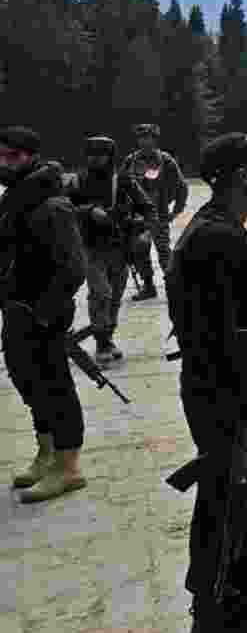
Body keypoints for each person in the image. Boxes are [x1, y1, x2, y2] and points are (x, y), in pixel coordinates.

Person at [168, 132, 247, 633]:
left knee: (225, 509)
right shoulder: (220, 240)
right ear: (243, 175)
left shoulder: (216, 231)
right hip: (230, 404)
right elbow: (223, 344)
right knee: (246, 519)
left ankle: (217, 627)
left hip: (217, 396)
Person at [1, 126, 89, 504]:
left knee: (55, 386)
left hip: (43, 313)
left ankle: (69, 468)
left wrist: (45, 312)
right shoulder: (16, 200)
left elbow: (73, 268)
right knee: (27, 381)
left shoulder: (52, 204)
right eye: (2, 155)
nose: (6, 163)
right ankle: (46, 453)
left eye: (14, 156)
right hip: (17, 309)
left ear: (32, 157)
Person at [64, 136, 154, 366]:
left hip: (119, 247)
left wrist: (142, 230)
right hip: (90, 246)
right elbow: (64, 209)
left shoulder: (122, 180)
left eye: (101, 154)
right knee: (100, 293)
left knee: (114, 296)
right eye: (92, 154)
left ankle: (107, 337)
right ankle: (102, 342)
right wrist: (89, 211)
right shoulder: (76, 181)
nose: (96, 158)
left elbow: (146, 207)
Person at [119, 122, 189, 300]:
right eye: (142, 138)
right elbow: (120, 186)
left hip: (160, 215)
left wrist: (177, 211)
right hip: (137, 217)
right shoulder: (131, 161)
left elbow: (182, 187)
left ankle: (175, 286)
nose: (145, 142)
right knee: (139, 250)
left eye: (148, 138)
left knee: (164, 253)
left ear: (155, 140)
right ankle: (149, 286)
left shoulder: (166, 161)